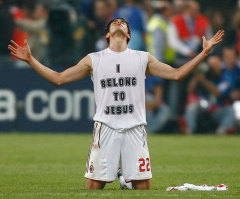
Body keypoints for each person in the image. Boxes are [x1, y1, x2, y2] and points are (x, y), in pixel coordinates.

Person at [8, 18, 224, 190]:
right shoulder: (94, 59)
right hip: (106, 127)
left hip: (135, 128)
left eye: (124, 23)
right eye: (115, 22)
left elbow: (177, 74)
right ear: (108, 34)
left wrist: (203, 53)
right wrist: (31, 60)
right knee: (93, 186)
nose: (119, 22)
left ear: (128, 35)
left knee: (143, 187)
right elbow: (58, 78)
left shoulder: (142, 58)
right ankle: (122, 176)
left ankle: (126, 179)